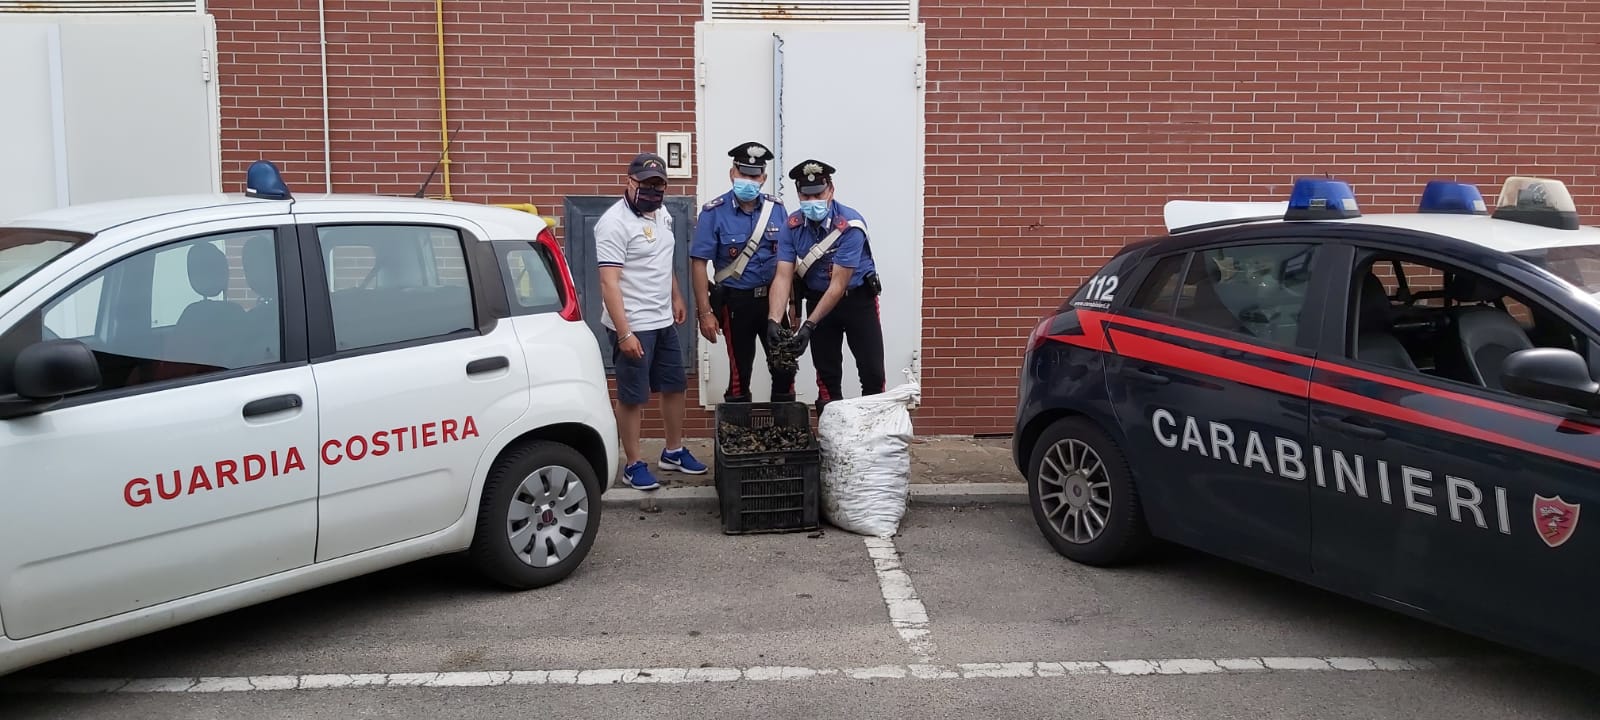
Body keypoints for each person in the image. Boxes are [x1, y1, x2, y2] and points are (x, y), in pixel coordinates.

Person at [595, 151, 707, 490]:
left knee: (675, 385)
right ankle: (632, 463)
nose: (653, 191)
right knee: (633, 395)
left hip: (662, 320)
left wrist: (676, 295)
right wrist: (625, 332)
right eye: (646, 184)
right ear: (630, 182)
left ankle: (672, 451)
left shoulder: (664, 214)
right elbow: (608, 282)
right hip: (632, 324)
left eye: (659, 184)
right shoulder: (613, 224)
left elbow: (663, 258)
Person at [766, 158, 885, 414]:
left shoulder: (851, 226)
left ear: (830, 190)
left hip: (857, 300)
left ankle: (872, 441)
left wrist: (809, 325)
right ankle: (831, 441)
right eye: (805, 196)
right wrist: (774, 320)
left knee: (872, 372)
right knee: (827, 377)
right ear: (798, 194)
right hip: (818, 299)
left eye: (818, 194)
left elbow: (838, 285)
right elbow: (783, 276)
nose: (812, 202)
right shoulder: (792, 226)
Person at [690, 140, 797, 403]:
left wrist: (793, 304)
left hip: (773, 301)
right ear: (732, 173)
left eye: (754, 176)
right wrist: (705, 312)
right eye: (743, 174)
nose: (748, 181)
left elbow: (787, 260)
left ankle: (782, 434)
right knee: (740, 373)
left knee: (784, 367)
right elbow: (698, 263)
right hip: (736, 302)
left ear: (763, 177)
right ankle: (740, 436)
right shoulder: (713, 213)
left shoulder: (777, 209)